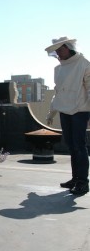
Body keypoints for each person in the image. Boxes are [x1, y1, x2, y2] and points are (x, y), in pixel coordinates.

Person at [45, 36, 90, 195]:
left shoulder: (84, 64)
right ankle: (75, 178)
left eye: (59, 49)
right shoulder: (59, 69)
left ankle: (83, 182)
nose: (57, 53)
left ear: (68, 47)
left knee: (79, 146)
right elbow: (58, 92)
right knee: (72, 147)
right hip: (65, 111)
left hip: (80, 111)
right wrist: (52, 112)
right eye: (55, 50)